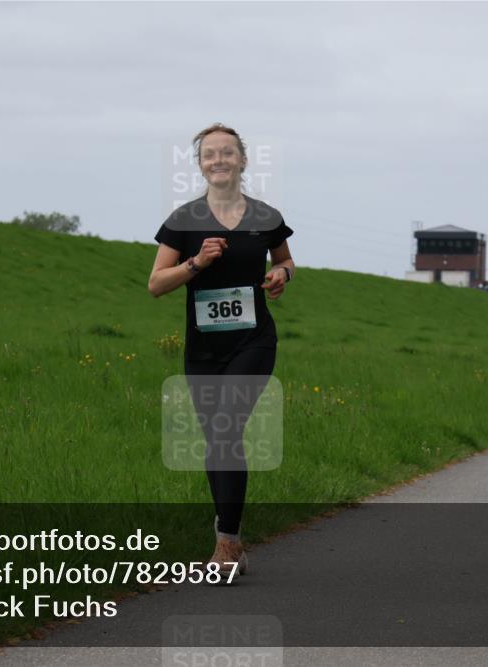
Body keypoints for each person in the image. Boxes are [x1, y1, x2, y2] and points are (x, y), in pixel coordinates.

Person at [149, 123, 295, 579]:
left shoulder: (266, 216)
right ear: (199, 164)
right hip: (203, 350)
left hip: (254, 341)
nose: (219, 160)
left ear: (243, 160)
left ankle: (227, 546)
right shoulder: (183, 220)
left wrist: (283, 275)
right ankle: (228, 533)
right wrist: (196, 263)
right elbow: (156, 284)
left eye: (227, 152)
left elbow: (285, 259)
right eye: (209, 154)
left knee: (227, 427)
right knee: (217, 439)